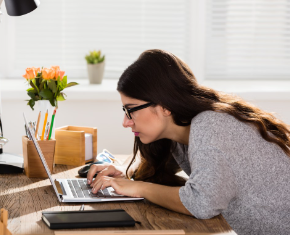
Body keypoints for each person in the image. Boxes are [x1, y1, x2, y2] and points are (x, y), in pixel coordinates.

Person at [87, 49, 290, 235]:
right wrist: (125, 177)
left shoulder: (210, 125)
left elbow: (202, 203)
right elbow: (194, 180)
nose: (125, 122)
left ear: (165, 106)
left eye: (131, 110)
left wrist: (138, 187)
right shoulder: (181, 136)